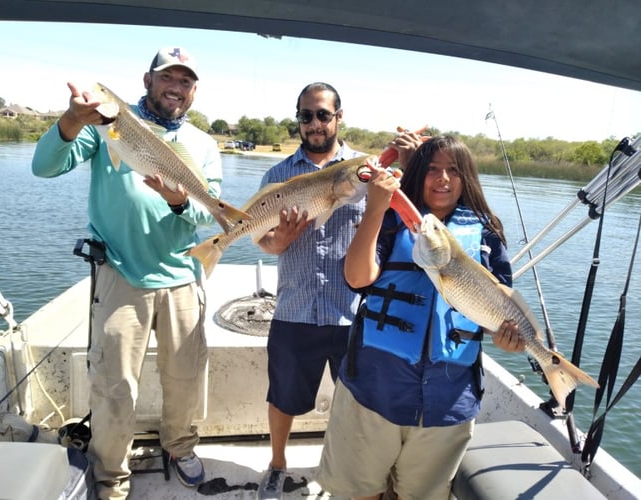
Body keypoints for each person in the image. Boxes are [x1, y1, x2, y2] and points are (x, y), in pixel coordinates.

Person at [32, 47, 219, 499]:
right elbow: (44, 166)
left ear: (193, 90)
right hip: (120, 272)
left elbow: (207, 213)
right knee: (114, 385)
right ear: (147, 81)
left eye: (185, 81)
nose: (175, 87)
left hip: (181, 276)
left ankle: (179, 446)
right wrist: (73, 120)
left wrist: (178, 201)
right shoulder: (107, 126)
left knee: (185, 379)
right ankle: (111, 475)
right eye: (166, 78)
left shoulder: (203, 144)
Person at [316, 135, 526, 500]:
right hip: (373, 390)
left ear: (467, 178)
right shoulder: (393, 220)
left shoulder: (487, 233)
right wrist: (376, 210)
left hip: (448, 401)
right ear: (419, 174)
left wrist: (507, 337)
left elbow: (500, 309)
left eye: (453, 170)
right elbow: (356, 278)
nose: (442, 178)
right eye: (432, 169)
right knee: (361, 492)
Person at [254, 82, 421, 500]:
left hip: (352, 312)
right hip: (295, 307)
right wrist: (280, 241)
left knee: (361, 404)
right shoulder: (277, 175)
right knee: (283, 398)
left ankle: (352, 474)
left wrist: (412, 161)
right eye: (306, 116)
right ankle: (277, 465)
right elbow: (263, 239)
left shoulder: (365, 171)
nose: (314, 124)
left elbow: (404, 216)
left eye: (322, 115)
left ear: (338, 118)